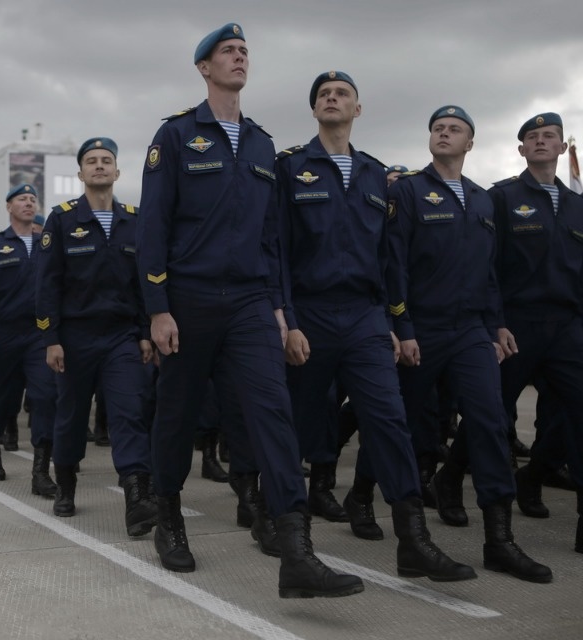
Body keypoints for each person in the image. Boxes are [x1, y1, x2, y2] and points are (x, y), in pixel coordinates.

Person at [136, 26, 363, 598]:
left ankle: (295, 551)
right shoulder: (177, 135)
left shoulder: (263, 146)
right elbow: (153, 229)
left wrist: (282, 315)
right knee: (177, 415)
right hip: (187, 300)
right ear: (203, 67)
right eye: (227, 53)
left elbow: (272, 243)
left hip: (250, 303)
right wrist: (158, 309)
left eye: (243, 53)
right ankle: (169, 518)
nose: (238, 58)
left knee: (273, 417)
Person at [276, 72, 477, 584]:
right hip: (310, 312)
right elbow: (275, 249)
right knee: (296, 424)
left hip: (365, 316)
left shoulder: (376, 175)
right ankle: (282, 528)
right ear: (314, 109)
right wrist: (287, 319)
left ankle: (413, 541)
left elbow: (390, 259)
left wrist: (395, 321)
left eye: (341, 94)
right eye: (323, 94)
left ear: (357, 110)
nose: (332, 98)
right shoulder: (290, 169)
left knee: (389, 421)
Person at [387, 105, 551, 582]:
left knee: (491, 424)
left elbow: (489, 272)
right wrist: (403, 326)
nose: (443, 133)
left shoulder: (481, 201)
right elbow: (394, 264)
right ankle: (376, 509)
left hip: (470, 333)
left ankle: (499, 541)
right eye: (437, 128)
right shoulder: (410, 192)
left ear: (470, 143)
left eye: (454, 129)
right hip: (422, 329)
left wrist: (496, 324)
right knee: (407, 429)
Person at [36, 137, 158, 538]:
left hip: (121, 337)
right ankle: (66, 484)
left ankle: (137, 498)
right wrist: (51, 337)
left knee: (129, 413)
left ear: (118, 171)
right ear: (81, 174)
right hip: (75, 338)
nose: (100, 166)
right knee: (71, 417)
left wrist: (144, 332)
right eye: (92, 161)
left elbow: (144, 284)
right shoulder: (62, 219)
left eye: (107, 160)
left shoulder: (135, 220)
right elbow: (47, 285)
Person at [485, 112, 583, 553]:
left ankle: (539, 479)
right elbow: (485, 266)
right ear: (521, 149)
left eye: (550, 137)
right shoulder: (503, 198)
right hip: (516, 324)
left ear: (562, 148)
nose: (541, 142)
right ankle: (451, 477)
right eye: (532, 137)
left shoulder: (580, 204)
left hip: (567, 326)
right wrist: (495, 321)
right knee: (491, 414)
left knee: (576, 418)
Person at [0, 184, 56, 490]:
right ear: (9, 206)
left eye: (33, 199)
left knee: (46, 397)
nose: (28, 203)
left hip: (39, 335)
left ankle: (41, 470)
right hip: (4, 336)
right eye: (22, 199)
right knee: (2, 400)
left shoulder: (47, 243)